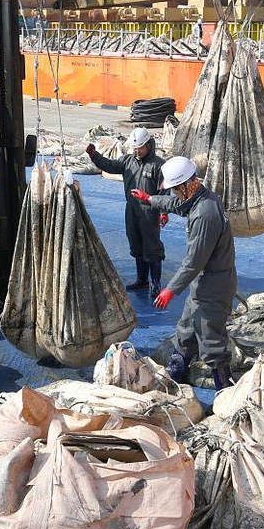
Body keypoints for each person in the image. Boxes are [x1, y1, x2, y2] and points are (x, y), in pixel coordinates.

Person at [131, 155, 236, 391]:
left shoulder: (205, 213)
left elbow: (194, 261)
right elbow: (177, 205)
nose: (175, 195)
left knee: (212, 342)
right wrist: (150, 199)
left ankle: (226, 393)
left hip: (214, 286)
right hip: (203, 285)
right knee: (187, 329)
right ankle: (175, 373)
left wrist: (170, 289)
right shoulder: (199, 198)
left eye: (175, 190)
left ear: (185, 185)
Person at [86, 127, 167, 297]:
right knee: (136, 244)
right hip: (132, 209)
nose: (137, 151)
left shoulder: (158, 165)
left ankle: (156, 283)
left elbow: (163, 191)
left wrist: (163, 212)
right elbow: (109, 165)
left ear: (148, 146)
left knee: (152, 247)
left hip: (149, 211)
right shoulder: (127, 161)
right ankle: (142, 280)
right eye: (135, 148)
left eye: (140, 148)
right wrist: (95, 156)